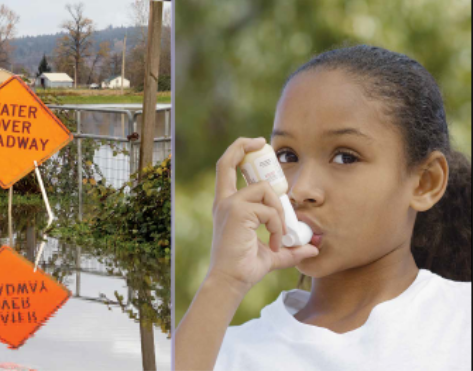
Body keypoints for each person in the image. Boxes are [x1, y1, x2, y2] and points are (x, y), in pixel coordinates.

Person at [173, 45, 472, 371]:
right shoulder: (224, 352)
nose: (299, 190)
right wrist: (224, 280)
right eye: (287, 155)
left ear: (425, 182)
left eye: (345, 156)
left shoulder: (460, 323)